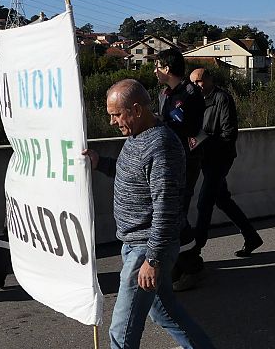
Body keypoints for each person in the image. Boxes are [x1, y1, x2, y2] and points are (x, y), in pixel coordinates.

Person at [84, 79, 214, 349]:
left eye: (116, 115)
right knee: (164, 312)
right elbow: (130, 173)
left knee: (121, 331)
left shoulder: (161, 145)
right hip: (136, 245)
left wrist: (152, 259)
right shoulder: (137, 137)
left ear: (136, 109)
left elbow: (167, 207)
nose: (112, 122)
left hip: (147, 248)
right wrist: (100, 163)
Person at [189, 68, 262, 259]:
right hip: (206, 157)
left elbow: (229, 133)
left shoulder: (222, 99)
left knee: (204, 202)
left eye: (199, 81)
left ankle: (196, 249)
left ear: (209, 80)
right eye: (193, 83)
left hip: (220, 157)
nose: (196, 86)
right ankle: (251, 237)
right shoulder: (197, 101)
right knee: (222, 199)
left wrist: (203, 140)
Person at [154, 49, 206, 291]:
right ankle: (177, 266)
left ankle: (192, 266)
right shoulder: (164, 94)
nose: (154, 71)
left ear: (167, 68)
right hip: (168, 158)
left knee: (178, 214)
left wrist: (163, 123)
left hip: (186, 160)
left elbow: (190, 127)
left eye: (157, 66)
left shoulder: (190, 93)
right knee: (171, 213)